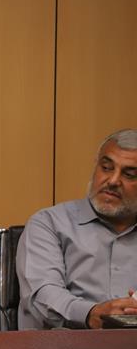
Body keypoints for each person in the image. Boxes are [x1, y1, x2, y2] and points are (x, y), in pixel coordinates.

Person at [18, 128, 137, 329]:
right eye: (106, 167)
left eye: (129, 174)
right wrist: (91, 314)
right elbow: (43, 295)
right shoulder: (49, 223)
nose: (113, 181)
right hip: (65, 346)